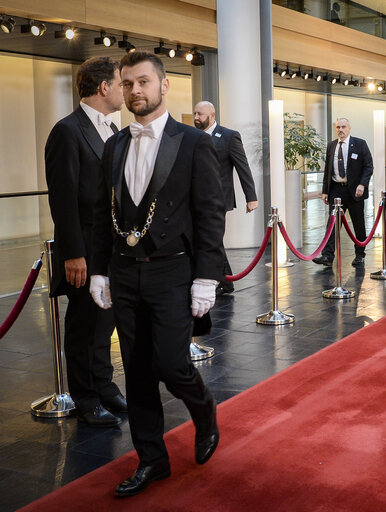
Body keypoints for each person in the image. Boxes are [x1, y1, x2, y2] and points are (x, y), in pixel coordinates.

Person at [90, 51, 225, 497]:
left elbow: (209, 216)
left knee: (170, 363)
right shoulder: (114, 145)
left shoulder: (194, 142)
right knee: (137, 370)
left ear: (165, 85)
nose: (135, 91)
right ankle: (152, 459)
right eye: (127, 84)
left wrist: (207, 277)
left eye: (144, 82)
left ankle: (204, 412)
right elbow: (99, 214)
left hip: (173, 273)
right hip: (125, 273)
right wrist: (99, 271)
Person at [44, 56, 127, 427]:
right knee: (82, 324)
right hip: (85, 251)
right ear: (104, 87)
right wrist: (74, 254)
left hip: (113, 249)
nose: (126, 89)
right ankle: (86, 397)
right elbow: (62, 199)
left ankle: (105, 386)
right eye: (121, 82)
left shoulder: (112, 129)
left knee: (105, 321)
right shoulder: (67, 130)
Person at [192, 101, 258, 296]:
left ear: (212, 115)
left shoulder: (229, 136)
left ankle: (223, 281)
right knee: (209, 239)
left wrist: (251, 197)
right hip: (195, 198)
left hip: (218, 198)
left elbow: (242, 166)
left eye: (200, 114)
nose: (196, 117)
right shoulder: (193, 136)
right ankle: (222, 281)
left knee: (213, 237)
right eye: (194, 113)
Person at [313, 118, 374, 267]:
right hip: (336, 189)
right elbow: (328, 170)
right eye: (338, 127)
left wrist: (362, 184)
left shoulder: (360, 144)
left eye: (343, 127)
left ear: (349, 128)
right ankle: (327, 256)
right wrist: (325, 191)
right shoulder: (332, 145)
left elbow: (368, 166)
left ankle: (360, 255)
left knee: (358, 223)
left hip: (355, 191)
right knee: (332, 224)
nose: (340, 129)